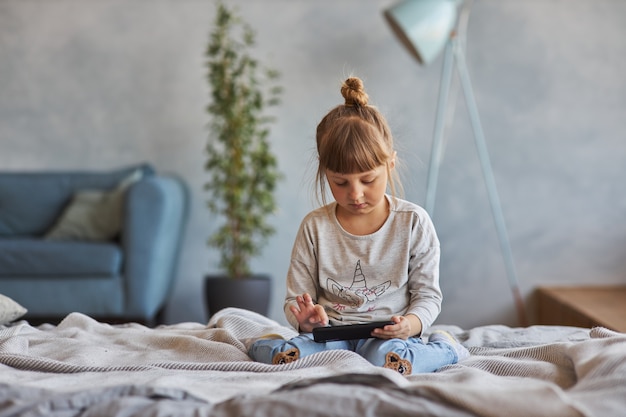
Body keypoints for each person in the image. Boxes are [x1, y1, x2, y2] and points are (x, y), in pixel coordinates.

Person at [248, 77, 469, 375]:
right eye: (340, 182)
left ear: (390, 164)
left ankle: (445, 346)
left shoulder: (413, 223)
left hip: (385, 339)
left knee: (393, 363)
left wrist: (410, 325)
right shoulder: (315, 227)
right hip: (330, 337)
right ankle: (269, 342)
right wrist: (305, 320)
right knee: (280, 356)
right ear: (325, 172)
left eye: (368, 180)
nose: (355, 194)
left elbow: (427, 296)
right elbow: (296, 300)